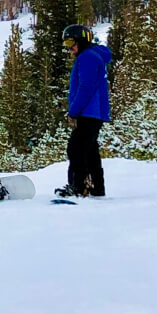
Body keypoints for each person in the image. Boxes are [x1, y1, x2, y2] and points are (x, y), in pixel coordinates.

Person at [55, 24, 112, 199]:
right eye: (66, 44)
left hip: (89, 112)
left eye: (71, 43)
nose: (69, 48)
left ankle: (78, 187)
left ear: (82, 41)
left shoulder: (87, 57)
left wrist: (73, 111)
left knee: (76, 149)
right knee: (89, 150)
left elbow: (86, 87)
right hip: (93, 112)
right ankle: (96, 187)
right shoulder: (92, 56)